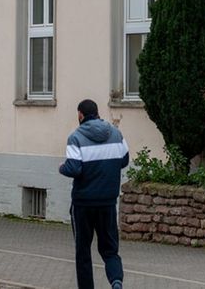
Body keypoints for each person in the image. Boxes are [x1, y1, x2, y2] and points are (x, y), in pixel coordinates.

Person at [59, 99, 130, 289]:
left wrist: (62, 168)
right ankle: (116, 281)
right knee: (110, 249)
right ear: (97, 113)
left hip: (83, 204)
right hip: (107, 202)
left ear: (80, 115)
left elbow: (74, 168)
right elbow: (124, 160)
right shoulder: (116, 133)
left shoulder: (76, 137)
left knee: (83, 251)